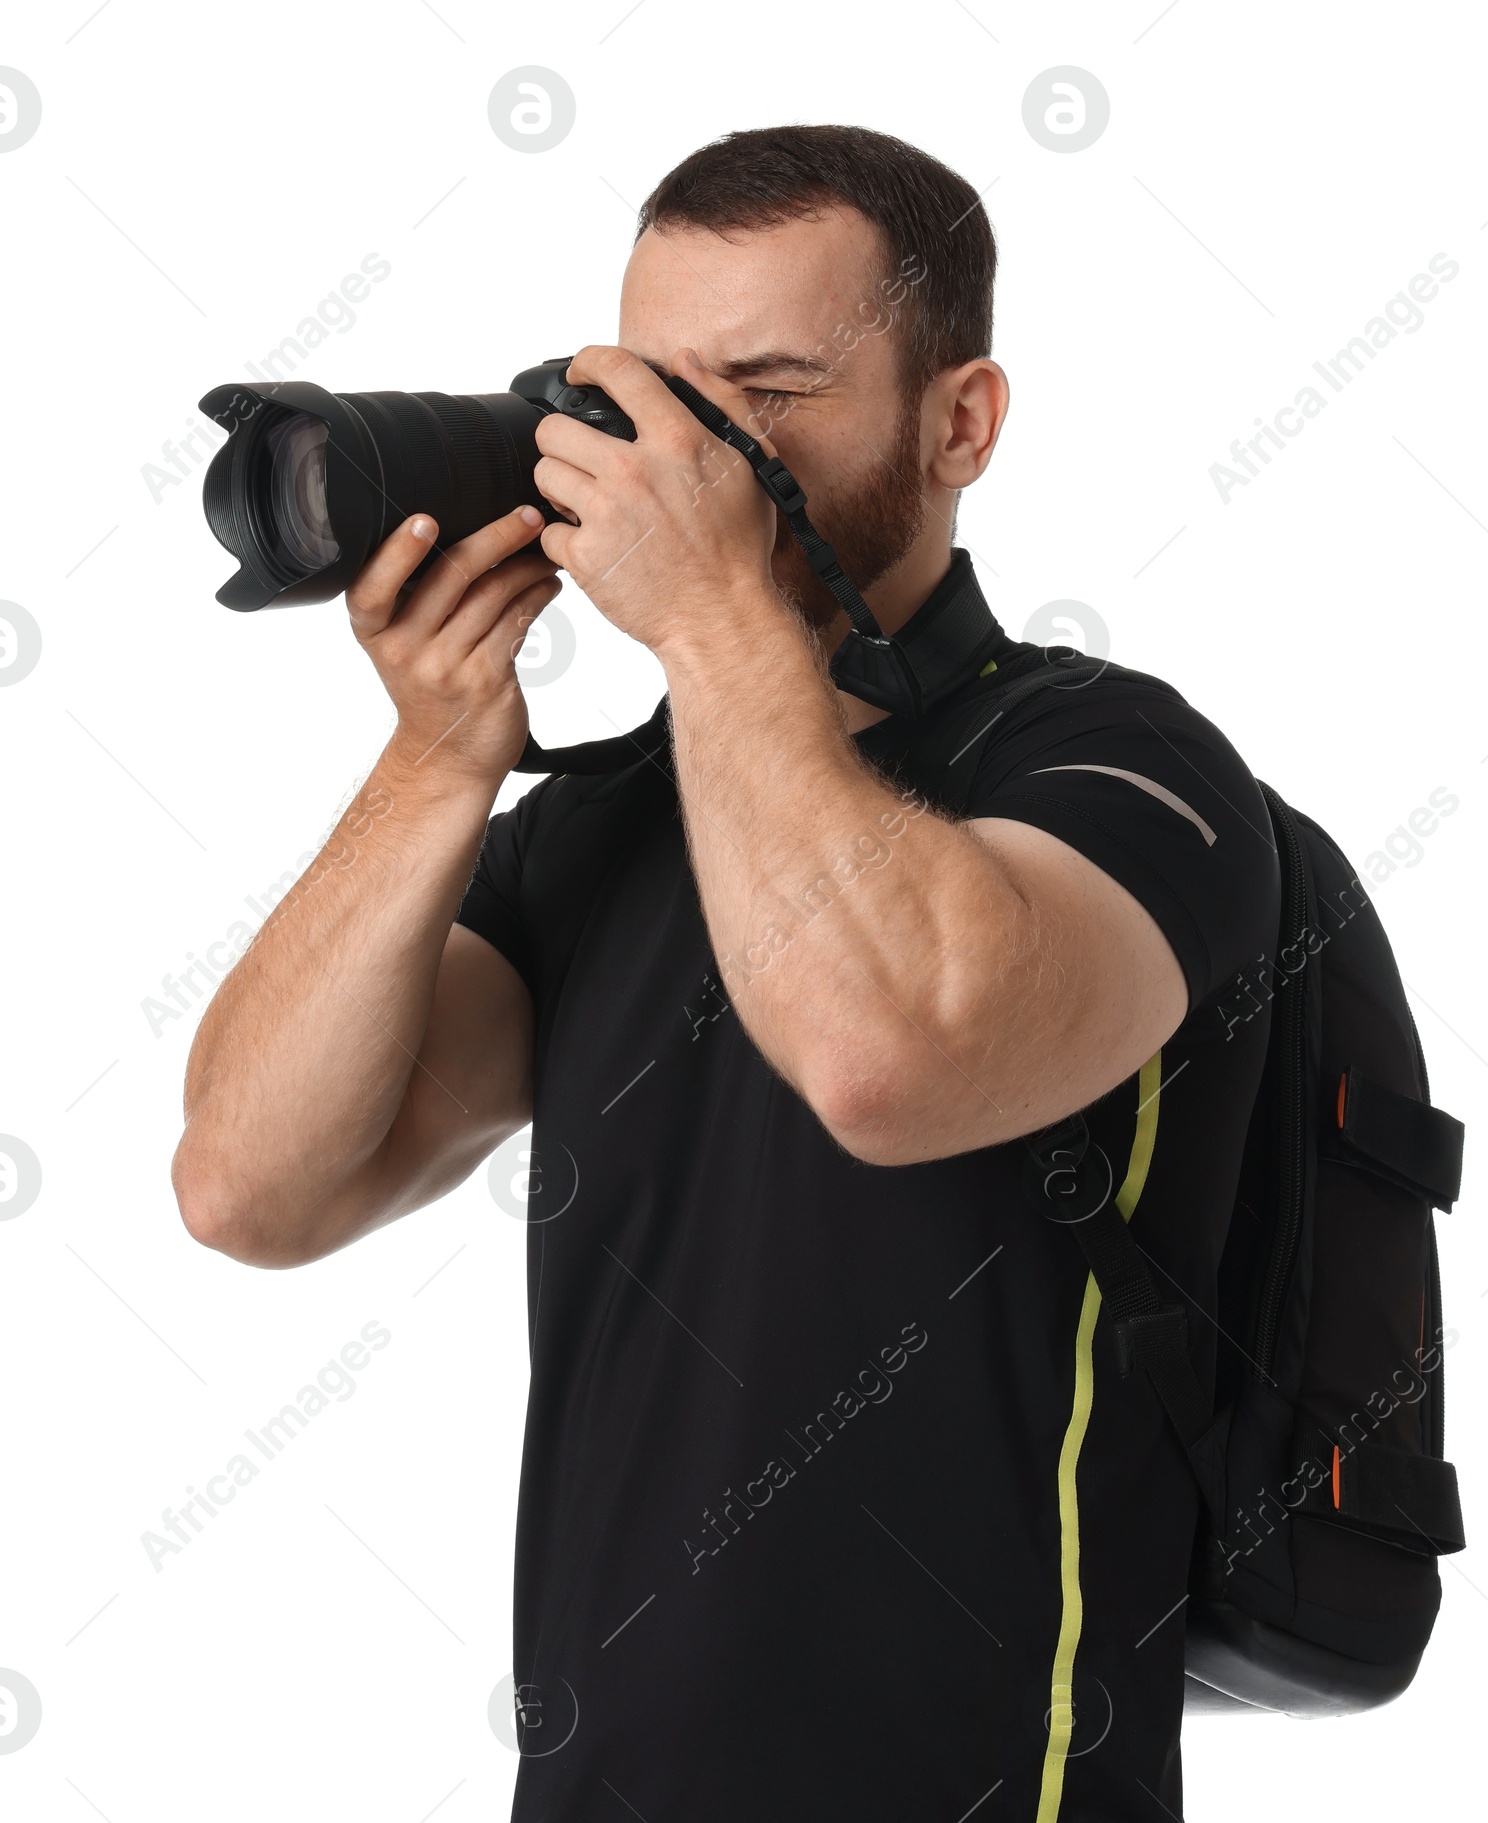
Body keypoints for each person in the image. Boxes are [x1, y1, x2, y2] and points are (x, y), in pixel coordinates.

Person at [173, 124, 1279, 1821]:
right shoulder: (601, 828)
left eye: (766, 390)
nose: (686, 455)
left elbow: (886, 1057)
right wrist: (439, 759)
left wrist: (707, 625)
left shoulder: (1119, 768)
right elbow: (254, 1185)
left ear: (960, 420)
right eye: (649, 391)